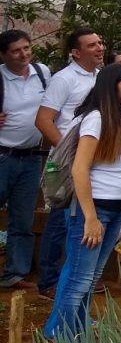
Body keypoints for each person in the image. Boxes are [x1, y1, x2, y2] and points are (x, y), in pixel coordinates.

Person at [42, 62, 121, 342]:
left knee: (89, 280)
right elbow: (79, 169)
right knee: (78, 280)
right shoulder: (96, 119)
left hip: (116, 209)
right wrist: (90, 218)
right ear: (112, 89)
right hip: (93, 209)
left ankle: (78, 336)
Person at [35, 27, 105, 298]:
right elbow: (43, 120)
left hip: (94, 163)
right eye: (91, 45)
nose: (99, 48)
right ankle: (49, 283)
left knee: (83, 218)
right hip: (68, 162)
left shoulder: (102, 78)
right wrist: (68, 153)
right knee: (60, 219)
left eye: (100, 43)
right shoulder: (64, 79)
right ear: (75, 52)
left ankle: (76, 278)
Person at [0, 30, 50, 289]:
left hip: (30, 158)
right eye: (16, 50)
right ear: (4, 54)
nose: (24, 54)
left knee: (22, 219)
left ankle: (15, 274)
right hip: (2, 156)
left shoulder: (42, 73)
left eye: (27, 48)